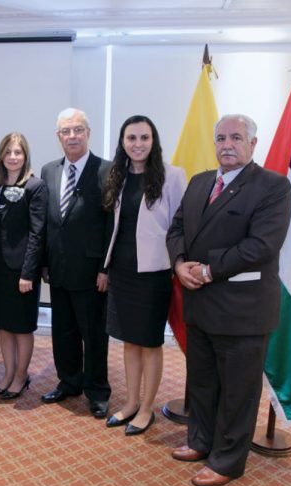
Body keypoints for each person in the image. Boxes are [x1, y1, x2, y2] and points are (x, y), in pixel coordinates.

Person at [166, 114, 291, 486]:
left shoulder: (273, 187)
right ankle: (200, 441)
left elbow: (261, 246)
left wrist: (207, 270)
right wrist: (179, 264)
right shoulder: (200, 182)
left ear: (252, 144)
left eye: (236, 138)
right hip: (200, 305)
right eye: (221, 138)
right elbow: (177, 228)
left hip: (242, 311)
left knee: (238, 392)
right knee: (202, 383)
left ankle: (228, 460)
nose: (227, 145)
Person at [101, 115, 186, 434]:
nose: (138, 144)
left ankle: (147, 408)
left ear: (154, 141)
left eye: (144, 138)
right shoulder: (117, 175)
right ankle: (131, 403)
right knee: (129, 342)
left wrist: (180, 264)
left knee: (149, 343)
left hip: (153, 274)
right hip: (121, 271)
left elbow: (180, 226)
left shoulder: (172, 176)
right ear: (123, 142)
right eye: (131, 138)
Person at [40, 108, 112, 418]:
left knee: (93, 334)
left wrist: (106, 268)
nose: (72, 136)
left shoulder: (107, 170)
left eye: (78, 130)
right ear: (58, 137)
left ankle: (97, 390)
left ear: (88, 133)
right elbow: (47, 221)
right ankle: (69, 382)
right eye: (66, 131)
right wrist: (44, 262)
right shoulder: (49, 171)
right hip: (58, 268)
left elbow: (111, 224)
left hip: (92, 271)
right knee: (63, 331)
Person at [0, 133, 46, 400]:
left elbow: (37, 233)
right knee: (3, 324)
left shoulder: (35, 186)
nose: (13, 157)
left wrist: (28, 272)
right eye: (8, 152)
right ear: (1, 156)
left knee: (21, 326)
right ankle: (7, 374)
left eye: (18, 152)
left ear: (25, 156)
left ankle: (20, 376)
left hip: (22, 271)